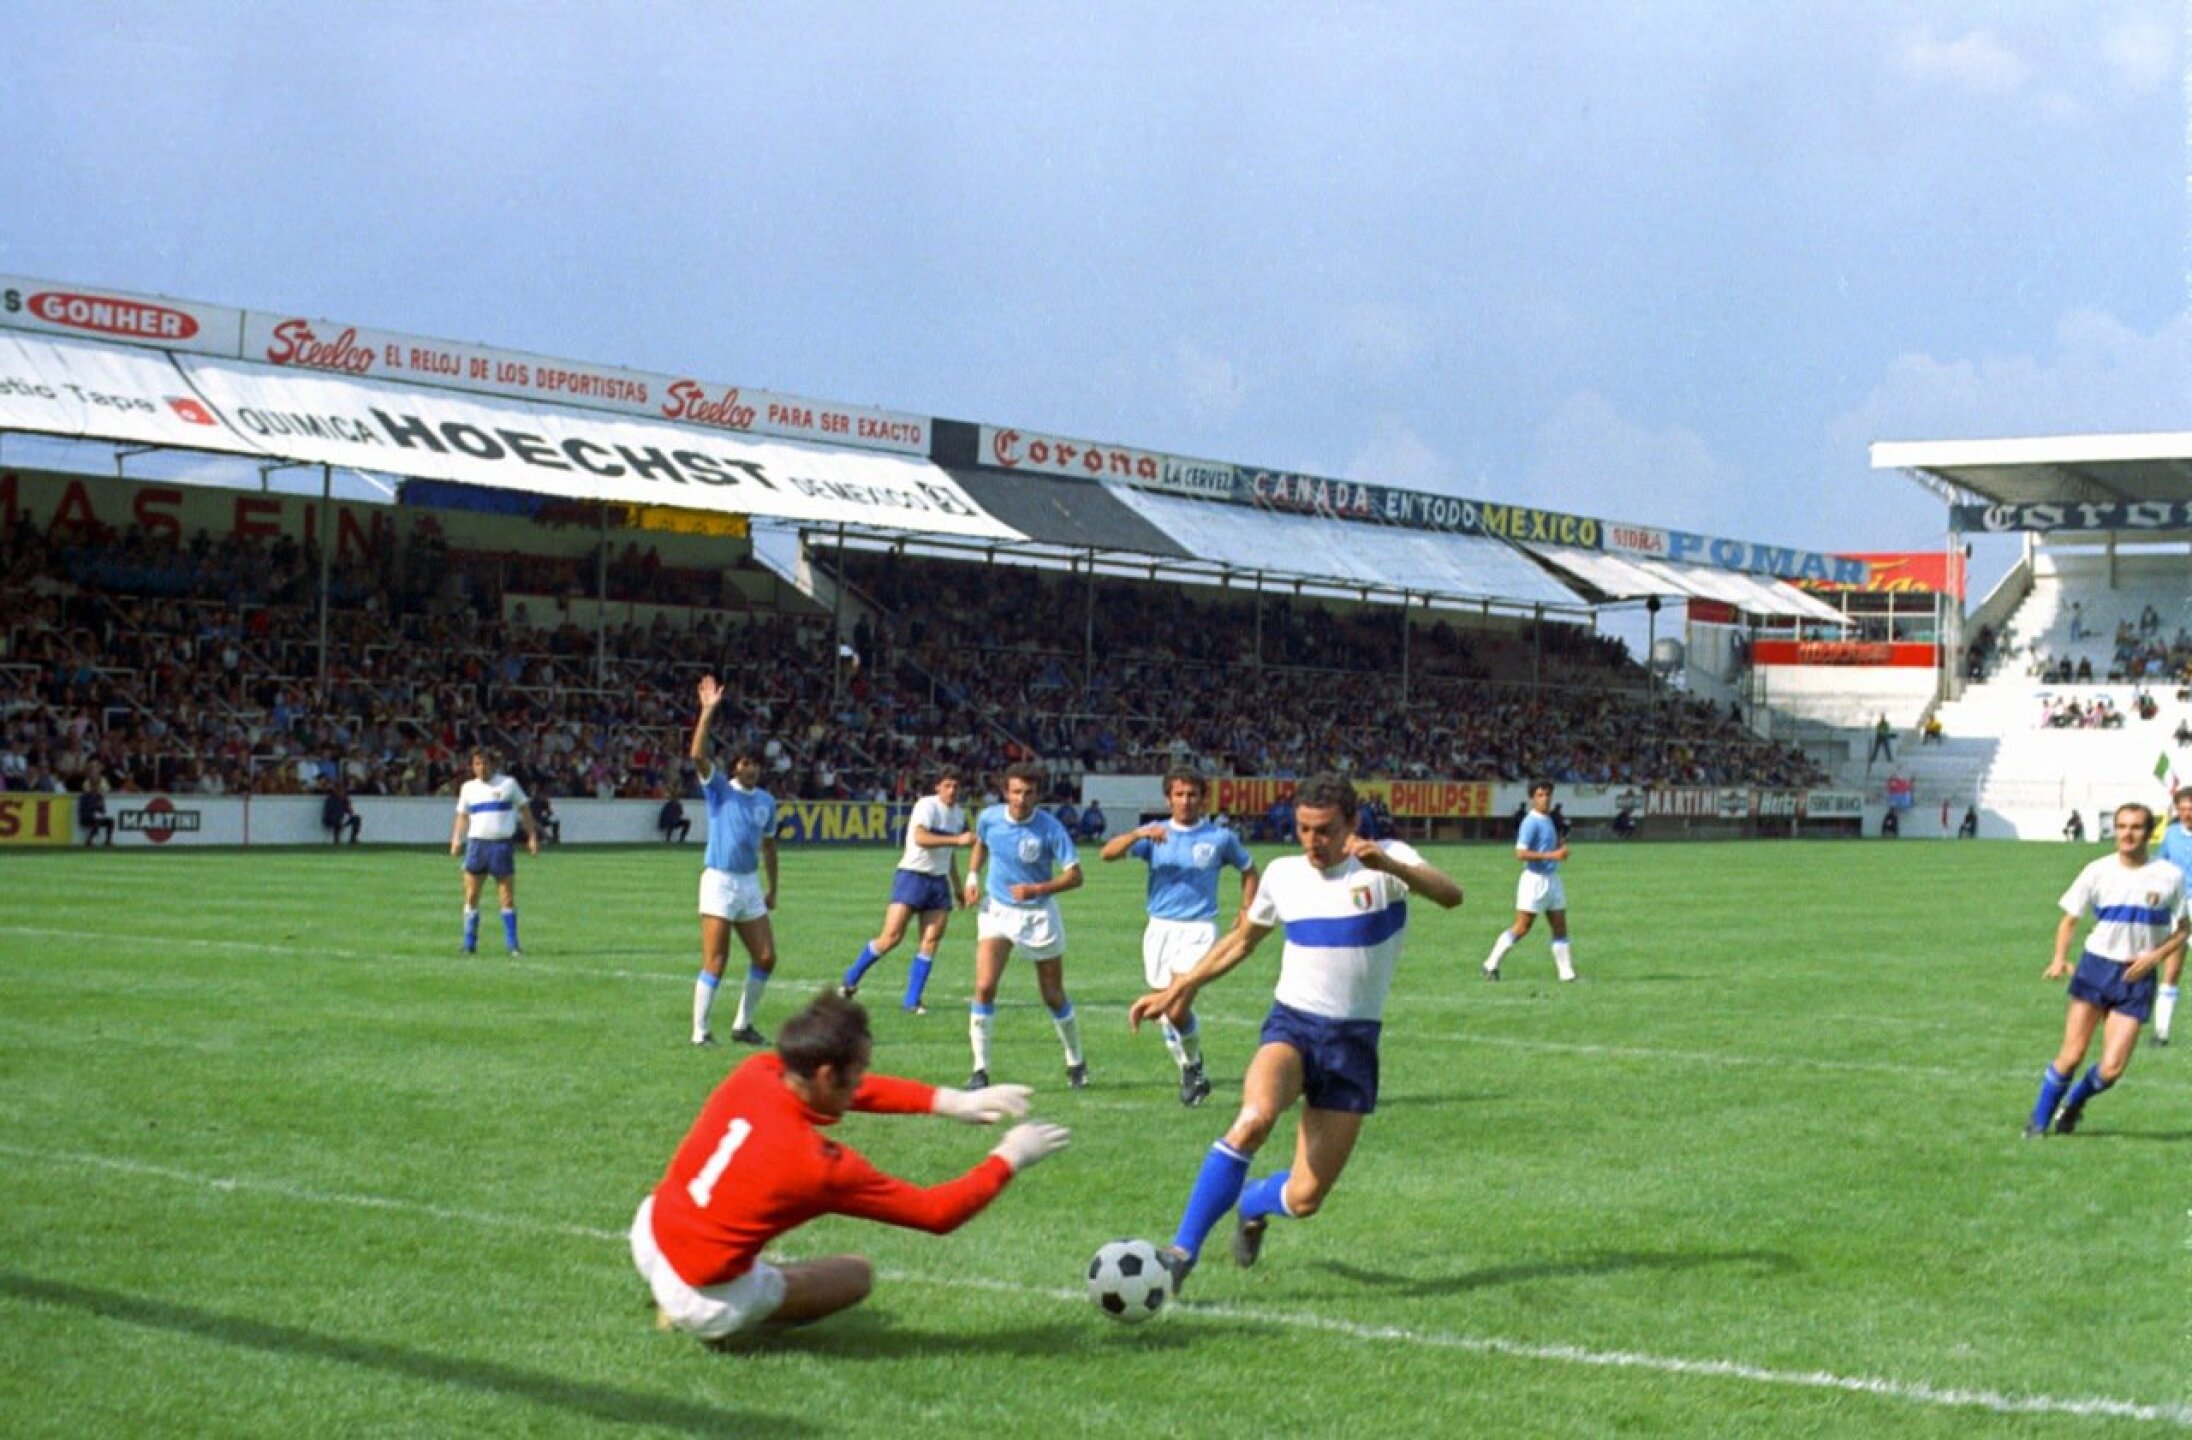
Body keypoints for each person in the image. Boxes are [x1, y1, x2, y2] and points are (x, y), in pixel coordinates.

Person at [1128, 774, 1461, 1284]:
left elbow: (1451, 895)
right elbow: (1241, 941)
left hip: (1353, 1045)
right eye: (1303, 829)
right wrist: (1179, 989)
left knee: (1305, 1198)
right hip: (1293, 1026)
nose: (1312, 842)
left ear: (1353, 824)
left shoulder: (1388, 860)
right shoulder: (1283, 875)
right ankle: (1180, 1254)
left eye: (1324, 830)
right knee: (1255, 1119)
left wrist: (1388, 865)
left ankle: (1251, 1203)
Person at [630, 990, 1069, 1343]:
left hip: (650, 1234)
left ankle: (690, 1286)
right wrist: (1010, 1156)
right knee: (855, 1275)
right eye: (856, 1074)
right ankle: (701, 1316)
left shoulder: (759, 1070)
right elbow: (936, 1212)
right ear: (824, 1074)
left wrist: (949, 1101)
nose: (860, 1085)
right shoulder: (815, 1166)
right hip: (703, 1296)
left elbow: (856, 1091)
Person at [2023, 803, 2187, 1137]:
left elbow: (2183, 929)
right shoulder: (2097, 870)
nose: (2128, 834)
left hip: (2137, 978)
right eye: (2123, 827)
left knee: (2111, 1069)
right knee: (2070, 1055)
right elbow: (2069, 919)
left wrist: (2154, 957)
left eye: (2137, 827)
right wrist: (2059, 958)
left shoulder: (2169, 876)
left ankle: (2074, 1104)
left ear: (2149, 831)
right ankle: (2037, 1124)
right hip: (2096, 968)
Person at [1100, 768, 1260, 1106]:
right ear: (1168, 798)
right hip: (1159, 928)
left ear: (1203, 799)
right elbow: (1107, 853)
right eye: (1179, 794)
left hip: (1199, 930)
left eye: (1192, 795)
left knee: (1175, 1006)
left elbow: (1248, 869)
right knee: (1166, 1013)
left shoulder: (1219, 837)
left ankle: (1191, 1071)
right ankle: (1193, 1069)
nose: (1186, 801)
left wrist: (1246, 907)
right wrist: (1135, 836)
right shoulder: (1155, 834)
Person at [964, 761, 1087, 1089]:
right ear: (1006, 791)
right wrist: (973, 877)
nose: (1021, 798)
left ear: (1037, 794)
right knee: (985, 986)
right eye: (1016, 791)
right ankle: (980, 1070)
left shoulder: (1050, 828)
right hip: (997, 910)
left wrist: (1038, 889)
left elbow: (1076, 876)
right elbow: (981, 843)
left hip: (1038, 915)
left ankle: (1075, 1060)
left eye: (1028, 792)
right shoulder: (990, 818)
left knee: (1052, 994)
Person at [690, 675, 780, 1047]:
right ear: (735, 766)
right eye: (745, 762)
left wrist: (773, 887)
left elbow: (770, 846)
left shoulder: (766, 801)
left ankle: (743, 1025)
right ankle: (700, 1031)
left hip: (748, 882)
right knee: (717, 959)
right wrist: (707, 712)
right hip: (720, 880)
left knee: (766, 956)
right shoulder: (720, 791)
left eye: (755, 763)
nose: (751, 768)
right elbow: (697, 754)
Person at [840, 765, 973, 1015]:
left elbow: (949, 854)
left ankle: (912, 1001)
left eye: (956, 786)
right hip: (912, 876)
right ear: (938, 787)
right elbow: (921, 838)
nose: (952, 790)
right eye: (947, 785)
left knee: (931, 940)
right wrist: (956, 840)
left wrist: (957, 886)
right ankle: (852, 976)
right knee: (891, 937)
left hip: (938, 882)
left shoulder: (957, 814)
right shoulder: (927, 805)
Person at [449, 748, 541, 957]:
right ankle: (469, 944)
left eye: (485, 763)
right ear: (472, 766)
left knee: (506, 897)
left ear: (493, 764)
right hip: (477, 846)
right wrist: (456, 839)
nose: (482, 768)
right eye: (477, 764)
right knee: (471, 895)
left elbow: (525, 810)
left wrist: (532, 837)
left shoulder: (508, 784)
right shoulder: (468, 788)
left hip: (501, 846)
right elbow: (462, 816)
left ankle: (512, 945)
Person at [1483, 780, 1576, 983]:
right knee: (1522, 927)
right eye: (1541, 795)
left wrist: (1560, 848)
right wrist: (1553, 855)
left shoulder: (1549, 819)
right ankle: (1491, 963)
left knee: (1560, 926)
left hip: (1552, 879)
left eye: (1548, 794)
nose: (1546, 799)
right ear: (1532, 798)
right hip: (1534, 881)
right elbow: (1520, 853)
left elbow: (1549, 845)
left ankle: (1567, 974)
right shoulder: (1530, 822)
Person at [2152, 786, 2192, 1044]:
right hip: (2178, 908)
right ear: (2177, 809)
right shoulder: (2171, 835)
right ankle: (2161, 1033)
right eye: (2184, 808)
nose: (2188, 813)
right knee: (2171, 969)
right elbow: (2159, 866)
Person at [77, 778, 114, 847]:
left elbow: (103, 810)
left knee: (110, 821)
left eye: (97, 786)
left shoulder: (99, 797)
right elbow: (82, 810)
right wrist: (93, 812)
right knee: (97, 820)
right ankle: (89, 840)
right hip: (86, 817)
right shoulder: (84, 797)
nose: (96, 788)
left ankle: (108, 841)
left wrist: (100, 812)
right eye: (94, 786)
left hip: (97, 817)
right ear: (91, 787)